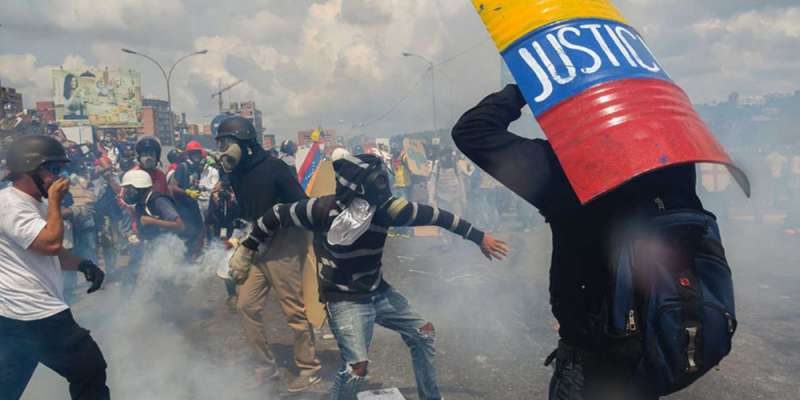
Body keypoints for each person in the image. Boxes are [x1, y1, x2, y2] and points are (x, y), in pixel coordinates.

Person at [452, 85, 734, 400]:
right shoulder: (675, 166)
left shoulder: (569, 169)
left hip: (592, 362)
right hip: (654, 345)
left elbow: (472, 131)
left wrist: (531, 83)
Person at [230, 154, 508, 400]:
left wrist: (479, 237)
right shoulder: (322, 210)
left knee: (423, 333)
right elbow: (275, 214)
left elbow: (437, 216)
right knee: (356, 368)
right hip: (343, 299)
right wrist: (247, 249)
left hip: (378, 292)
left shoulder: (388, 210)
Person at [215, 116, 322, 392]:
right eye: (220, 144)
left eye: (227, 143)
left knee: (293, 308)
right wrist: (239, 236)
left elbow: (301, 205)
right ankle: (265, 368)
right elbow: (247, 207)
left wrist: (273, 222)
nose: (223, 150)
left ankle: (309, 368)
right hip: (254, 243)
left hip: (283, 243)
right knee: (246, 306)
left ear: (245, 143)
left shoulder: (276, 168)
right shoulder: (235, 172)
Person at [0, 135, 109, 400]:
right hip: (33, 311)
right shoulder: (10, 205)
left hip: (18, 313)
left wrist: (82, 264)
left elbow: (50, 253)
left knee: (8, 385)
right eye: (53, 169)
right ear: (29, 169)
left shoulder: (32, 203)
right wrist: (55, 203)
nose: (59, 176)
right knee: (89, 369)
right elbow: (50, 243)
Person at [169, 140, 206, 257]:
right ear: (189, 154)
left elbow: (193, 183)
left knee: (200, 228)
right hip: (183, 206)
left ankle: (194, 254)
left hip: (193, 204)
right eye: (194, 153)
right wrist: (187, 192)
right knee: (188, 232)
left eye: (198, 153)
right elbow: (173, 187)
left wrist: (199, 189)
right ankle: (185, 257)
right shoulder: (182, 167)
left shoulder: (196, 168)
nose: (196, 156)